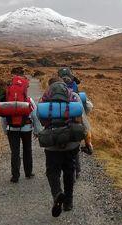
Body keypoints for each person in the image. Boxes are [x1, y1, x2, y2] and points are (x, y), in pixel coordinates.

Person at [38, 77, 90, 217]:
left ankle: (57, 194)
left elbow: (41, 120)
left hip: (52, 142)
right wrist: (88, 142)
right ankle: (68, 202)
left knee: (52, 171)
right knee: (69, 171)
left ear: (50, 86)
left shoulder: (45, 97)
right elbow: (83, 120)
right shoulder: (73, 95)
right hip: (71, 142)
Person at [0, 67, 42, 183]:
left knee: (15, 152)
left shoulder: (6, 101)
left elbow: (2, 117)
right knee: (27, 149)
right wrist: (37, 131)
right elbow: (35, 116)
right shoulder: (29, 100)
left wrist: (5, 130)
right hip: (26, 128)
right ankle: (28, 173)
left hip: (11, 128)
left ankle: (15, 176)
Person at [57, 68, 94, 179]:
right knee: (75, 147)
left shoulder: (55, 87)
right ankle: (76, 170)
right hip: (75, 120)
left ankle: (57, 171)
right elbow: (88, 108)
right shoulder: (75, 91)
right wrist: (86, 129)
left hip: (59, 121)